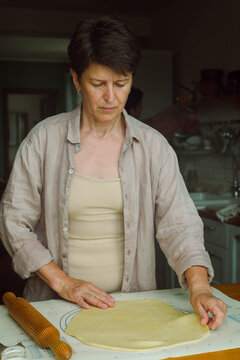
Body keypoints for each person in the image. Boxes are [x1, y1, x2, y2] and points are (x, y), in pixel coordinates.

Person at [0, 15, 226, 330]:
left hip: (132, 308)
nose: (111, 98)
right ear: (77, 80)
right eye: (98, 84)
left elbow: (180, 224)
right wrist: (65, 283)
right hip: (53, 308)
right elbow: (14, 223)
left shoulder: (153, 147)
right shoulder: (42, 140)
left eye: (121, 84)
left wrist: (200, 286)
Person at [125, 86, 199, 138]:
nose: (141, 108)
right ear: (132, 110)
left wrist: (174, 107)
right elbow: (174, 123)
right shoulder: (139, 129)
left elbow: (152, 119)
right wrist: (185, 114)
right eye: (140, 105)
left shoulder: (130, 123)